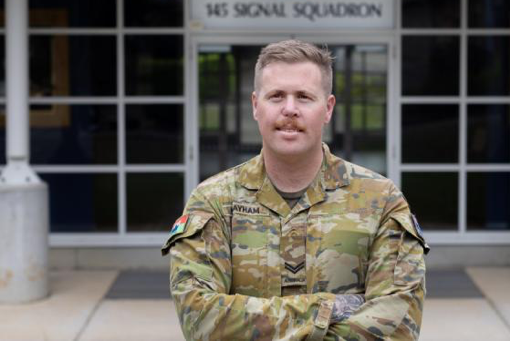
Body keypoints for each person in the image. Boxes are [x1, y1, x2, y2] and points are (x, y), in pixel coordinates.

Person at [162, 39, 428, 340]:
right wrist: (328, 308)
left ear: (327, 109)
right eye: (276, 96)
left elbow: (398, 327)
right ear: (255, 106)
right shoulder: (213, 202)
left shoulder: (380, 201)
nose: (290, 109)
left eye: (304, 97)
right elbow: (200, 320)